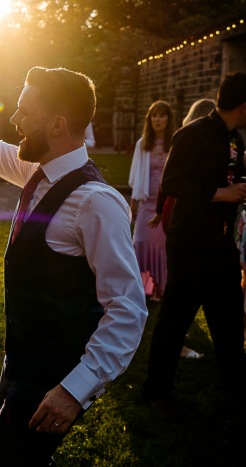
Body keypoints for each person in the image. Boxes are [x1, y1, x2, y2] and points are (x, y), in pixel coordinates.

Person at [0, 26, 148, 465]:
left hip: (55, 380)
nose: (14, 121)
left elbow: (128, 309)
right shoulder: (37, 173)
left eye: (24, 112)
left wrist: (74, 391)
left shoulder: (96, 203)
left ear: (56, 124)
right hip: (22, 364)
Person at [144, 73, 246, 415]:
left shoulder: (237, 140)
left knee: (229, 316)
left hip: (221, 242)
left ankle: (236, 382)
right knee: (176, 318)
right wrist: (219, 193)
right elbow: (172, 182)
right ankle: (157, 391)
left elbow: (233, 177)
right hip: (190, 241)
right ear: (243, 106)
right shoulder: (191, 134)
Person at [148, 99, 217, 360]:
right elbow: (168, 183)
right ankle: (177, 342)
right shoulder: (193, 143)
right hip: (180, 216)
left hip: (174, 215)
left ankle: (180, 335)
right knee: (182, 282)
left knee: (181, 279)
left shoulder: (187, 140)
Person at [128, 101, 174, 300]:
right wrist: (133, 201)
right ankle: (142, 288)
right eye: (154, 115)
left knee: (162, 247)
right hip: (147, 203)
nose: (157, 119)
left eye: (162, 115)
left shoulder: (174, 142)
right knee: (140, 241)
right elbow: (136, 173)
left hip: (167, 204)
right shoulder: (142, 143)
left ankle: (159, 289)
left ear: (168, 119)